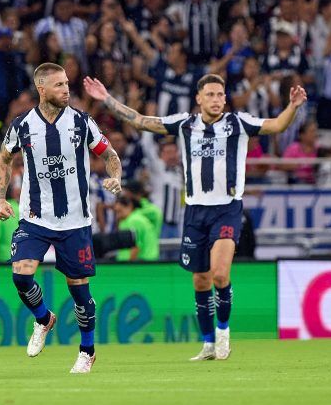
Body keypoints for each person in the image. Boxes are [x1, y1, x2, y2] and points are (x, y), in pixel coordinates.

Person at [84, 73, 307, 361]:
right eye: (210, 94)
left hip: (227, 208)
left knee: (220, 274)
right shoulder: (184, 124)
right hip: (195, 212)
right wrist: (107, 99)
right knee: (200, 281)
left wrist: (293, 107)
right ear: (199, 98)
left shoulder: (238, 123)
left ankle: (223, 332)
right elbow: (140, 121)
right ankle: (208, 343)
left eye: (220, 95)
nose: (216, 100)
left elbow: (277, 125)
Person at [0, 62, 122, 374]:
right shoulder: (23, 125)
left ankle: (87, 351)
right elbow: (4, 159)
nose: (66, 90)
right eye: (59, 85)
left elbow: (110, 155)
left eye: (66, 83)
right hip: (35, 217)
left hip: (75, 221)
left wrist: (116, 177)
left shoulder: (81, 122)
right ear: (42, 89)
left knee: (79, 291)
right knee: (21, 276)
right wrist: (0, 197)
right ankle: (43, 318)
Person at [114, 194, 159, 261]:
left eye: (120, 211)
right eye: (116, 212)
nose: (117, 216)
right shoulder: (128, 219)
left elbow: (136, 247)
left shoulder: (134, 220)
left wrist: (129, 265)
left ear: (129, 206)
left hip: (142, 263)